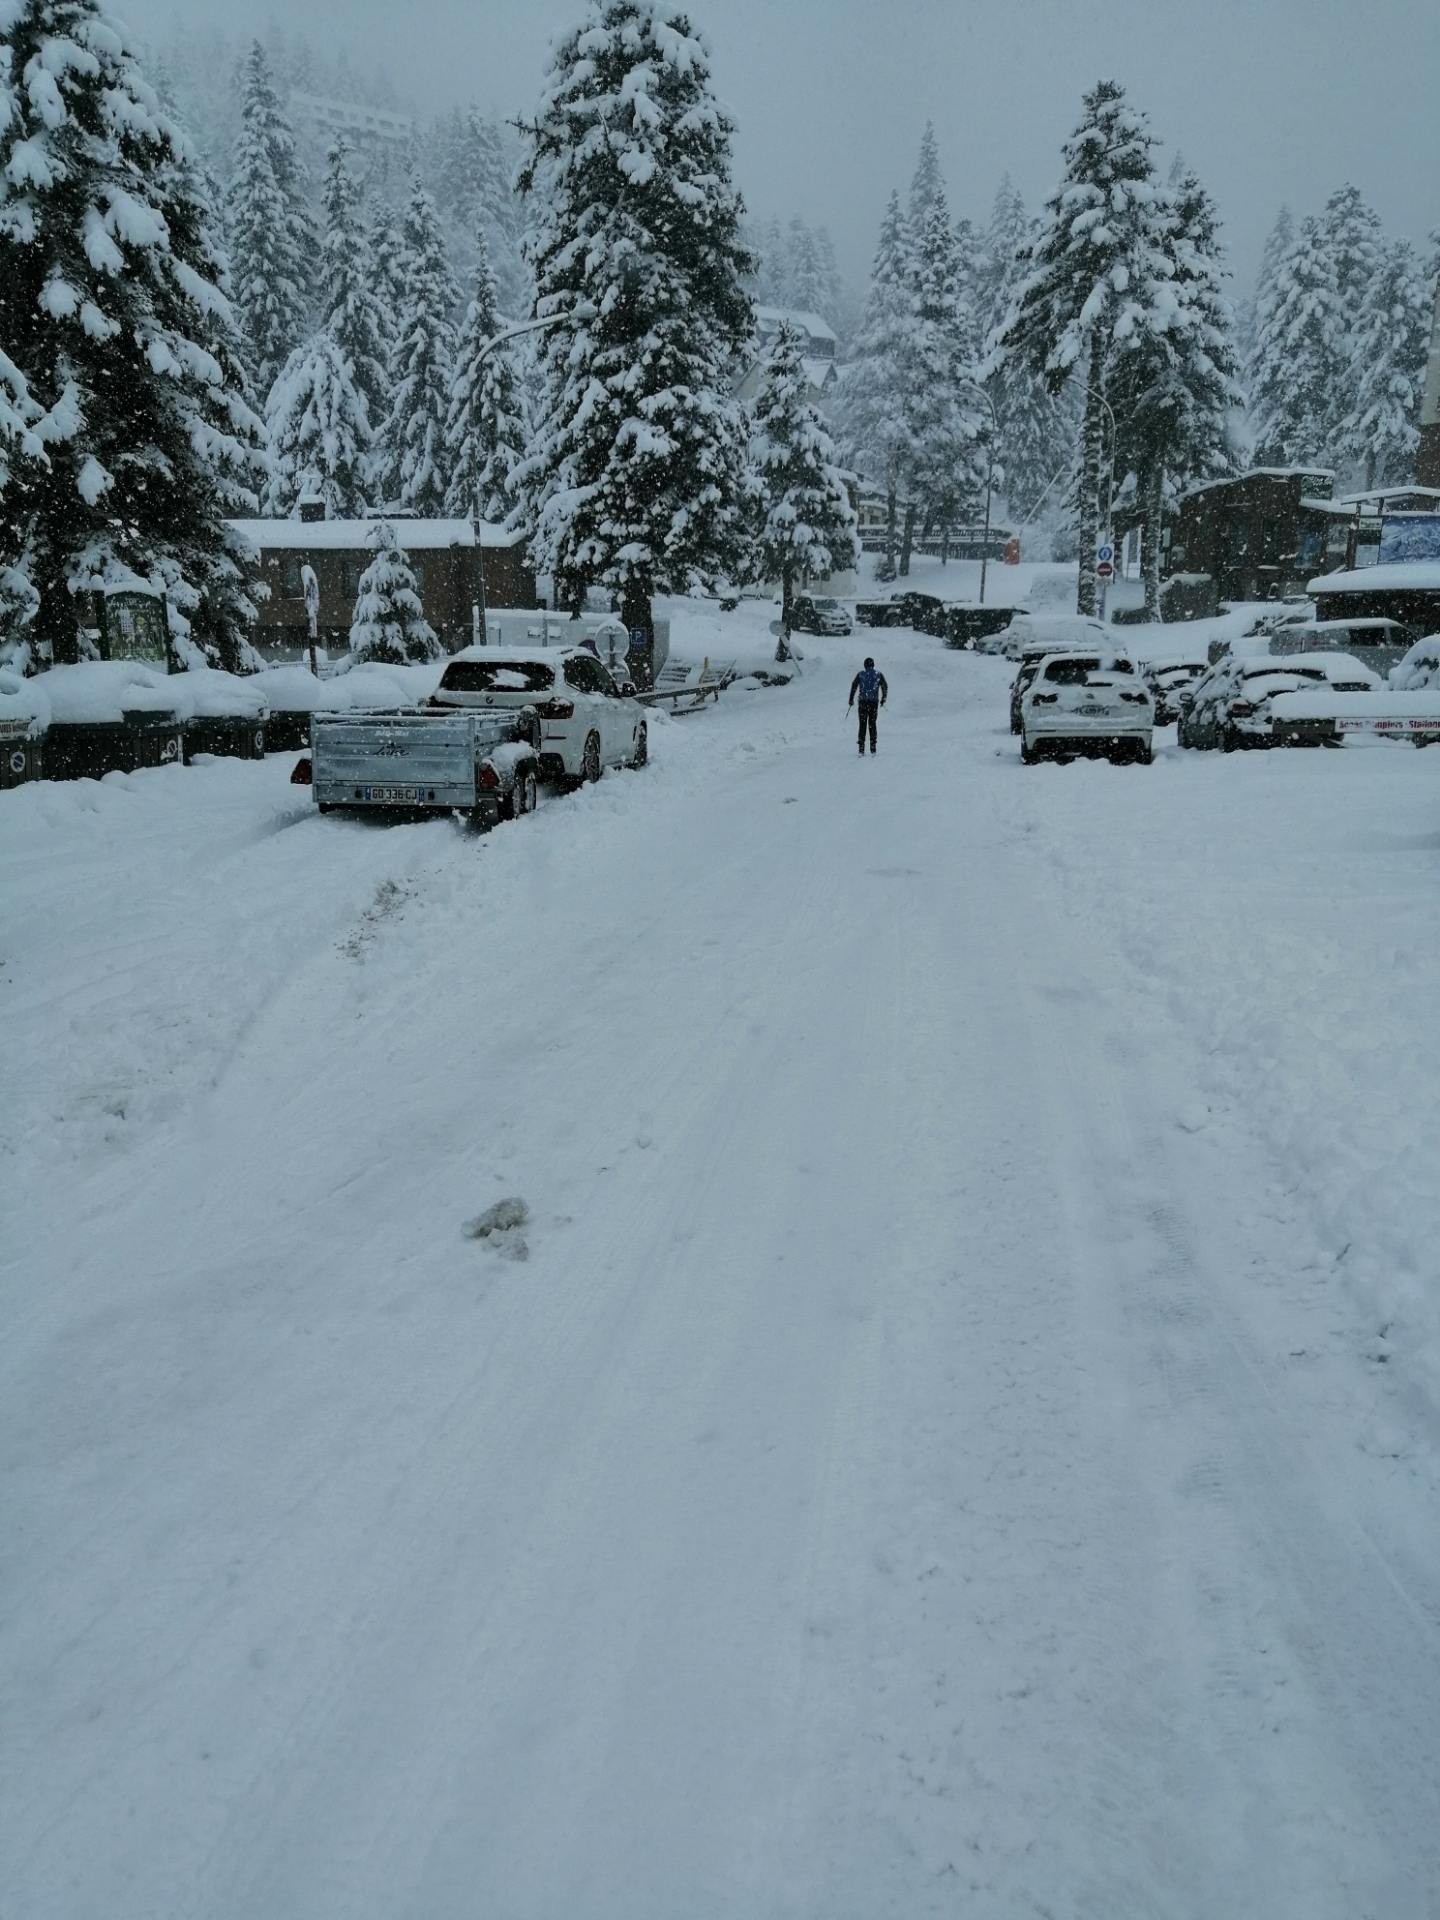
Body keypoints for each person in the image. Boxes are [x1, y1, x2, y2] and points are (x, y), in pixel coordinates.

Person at [848, 656, 888, 755]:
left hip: (863, 703)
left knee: (862, 724)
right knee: (872, 724)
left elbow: (854, 686)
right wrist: (883, 699)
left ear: (865, 665)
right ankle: (873, 747)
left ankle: (861, 748)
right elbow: (884, 686)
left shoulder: (861, 674)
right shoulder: (878, 675)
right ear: (873, 665)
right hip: (873, 703)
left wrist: (851, 699)